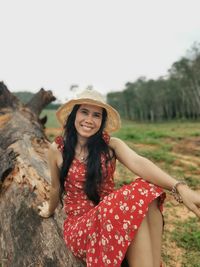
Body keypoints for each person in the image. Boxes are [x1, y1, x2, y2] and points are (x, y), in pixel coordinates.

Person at [38, 88, 200, 267]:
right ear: (74, 115)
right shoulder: (58, 149)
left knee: (146, 189)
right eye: (84, 112)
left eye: (96, 115)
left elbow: (139, 163)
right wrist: (49, 210)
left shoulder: (110, 145)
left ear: (102, 121)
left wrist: (180, 187)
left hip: (112, 218)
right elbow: (55, 187)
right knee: (135, 194)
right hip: (81, 227)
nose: (89, 120)